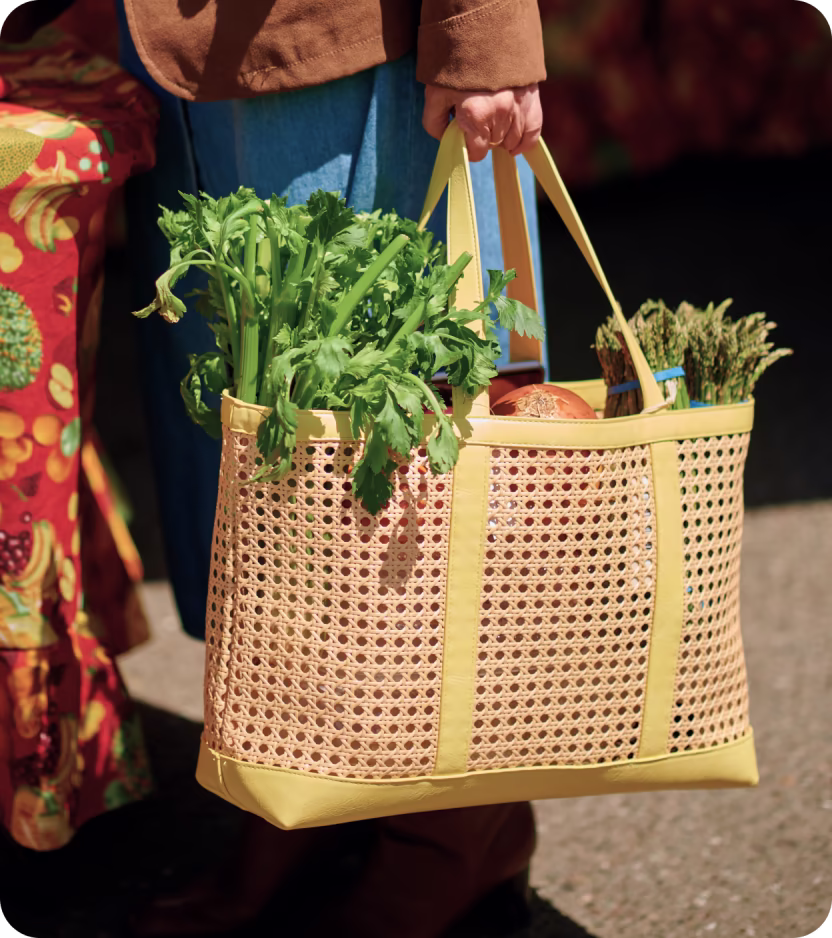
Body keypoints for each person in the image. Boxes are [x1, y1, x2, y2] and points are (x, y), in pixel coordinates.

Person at [3, 2, 548, 935]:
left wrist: (483, 31)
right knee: (253, 454)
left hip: (351, 38)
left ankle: (452, 829)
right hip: (184, 54)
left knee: (391, 438)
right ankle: (299, 787)